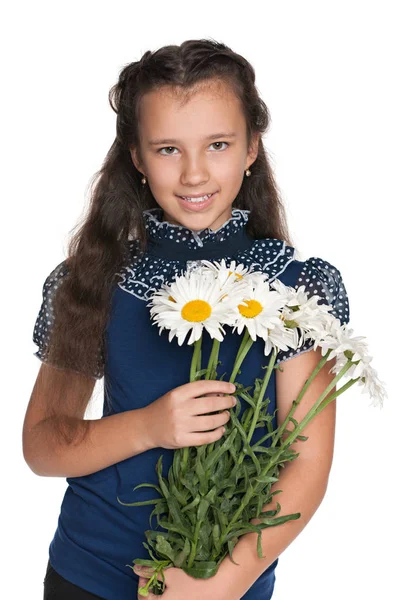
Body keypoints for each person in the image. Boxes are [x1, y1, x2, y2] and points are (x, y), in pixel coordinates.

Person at [23, 38, 350, 600]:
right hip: (88, 573)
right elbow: (42, 445)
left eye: (218, 144)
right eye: (168, 149)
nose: (195, 173)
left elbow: (307, 467)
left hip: (224, 585)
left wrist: (222, 584)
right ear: (136, 158)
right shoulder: (94, 278)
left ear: (252, 148)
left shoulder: (295, 288)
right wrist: (150, 427)